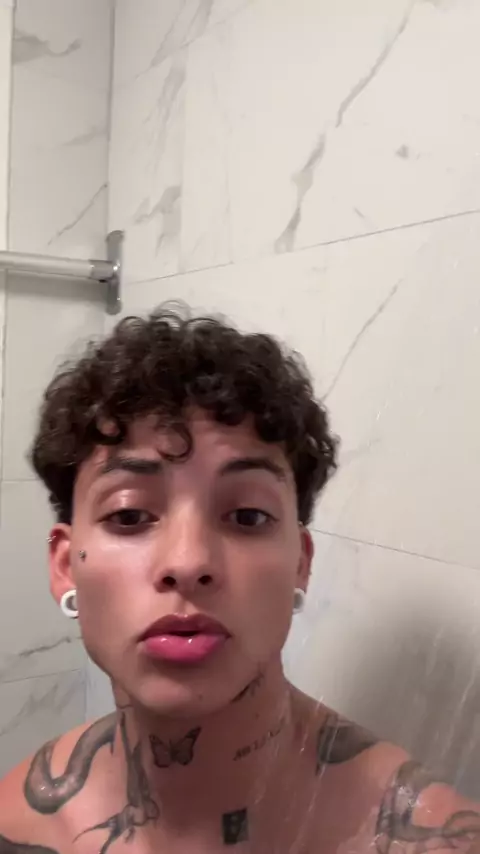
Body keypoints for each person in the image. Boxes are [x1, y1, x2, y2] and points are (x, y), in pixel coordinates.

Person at [0, 305, 478, 854]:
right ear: (65, 567)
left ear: (300, 563)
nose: (187, 562)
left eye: (247, 515)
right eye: (129, 515)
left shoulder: (432, 840)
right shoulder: (22, 821)